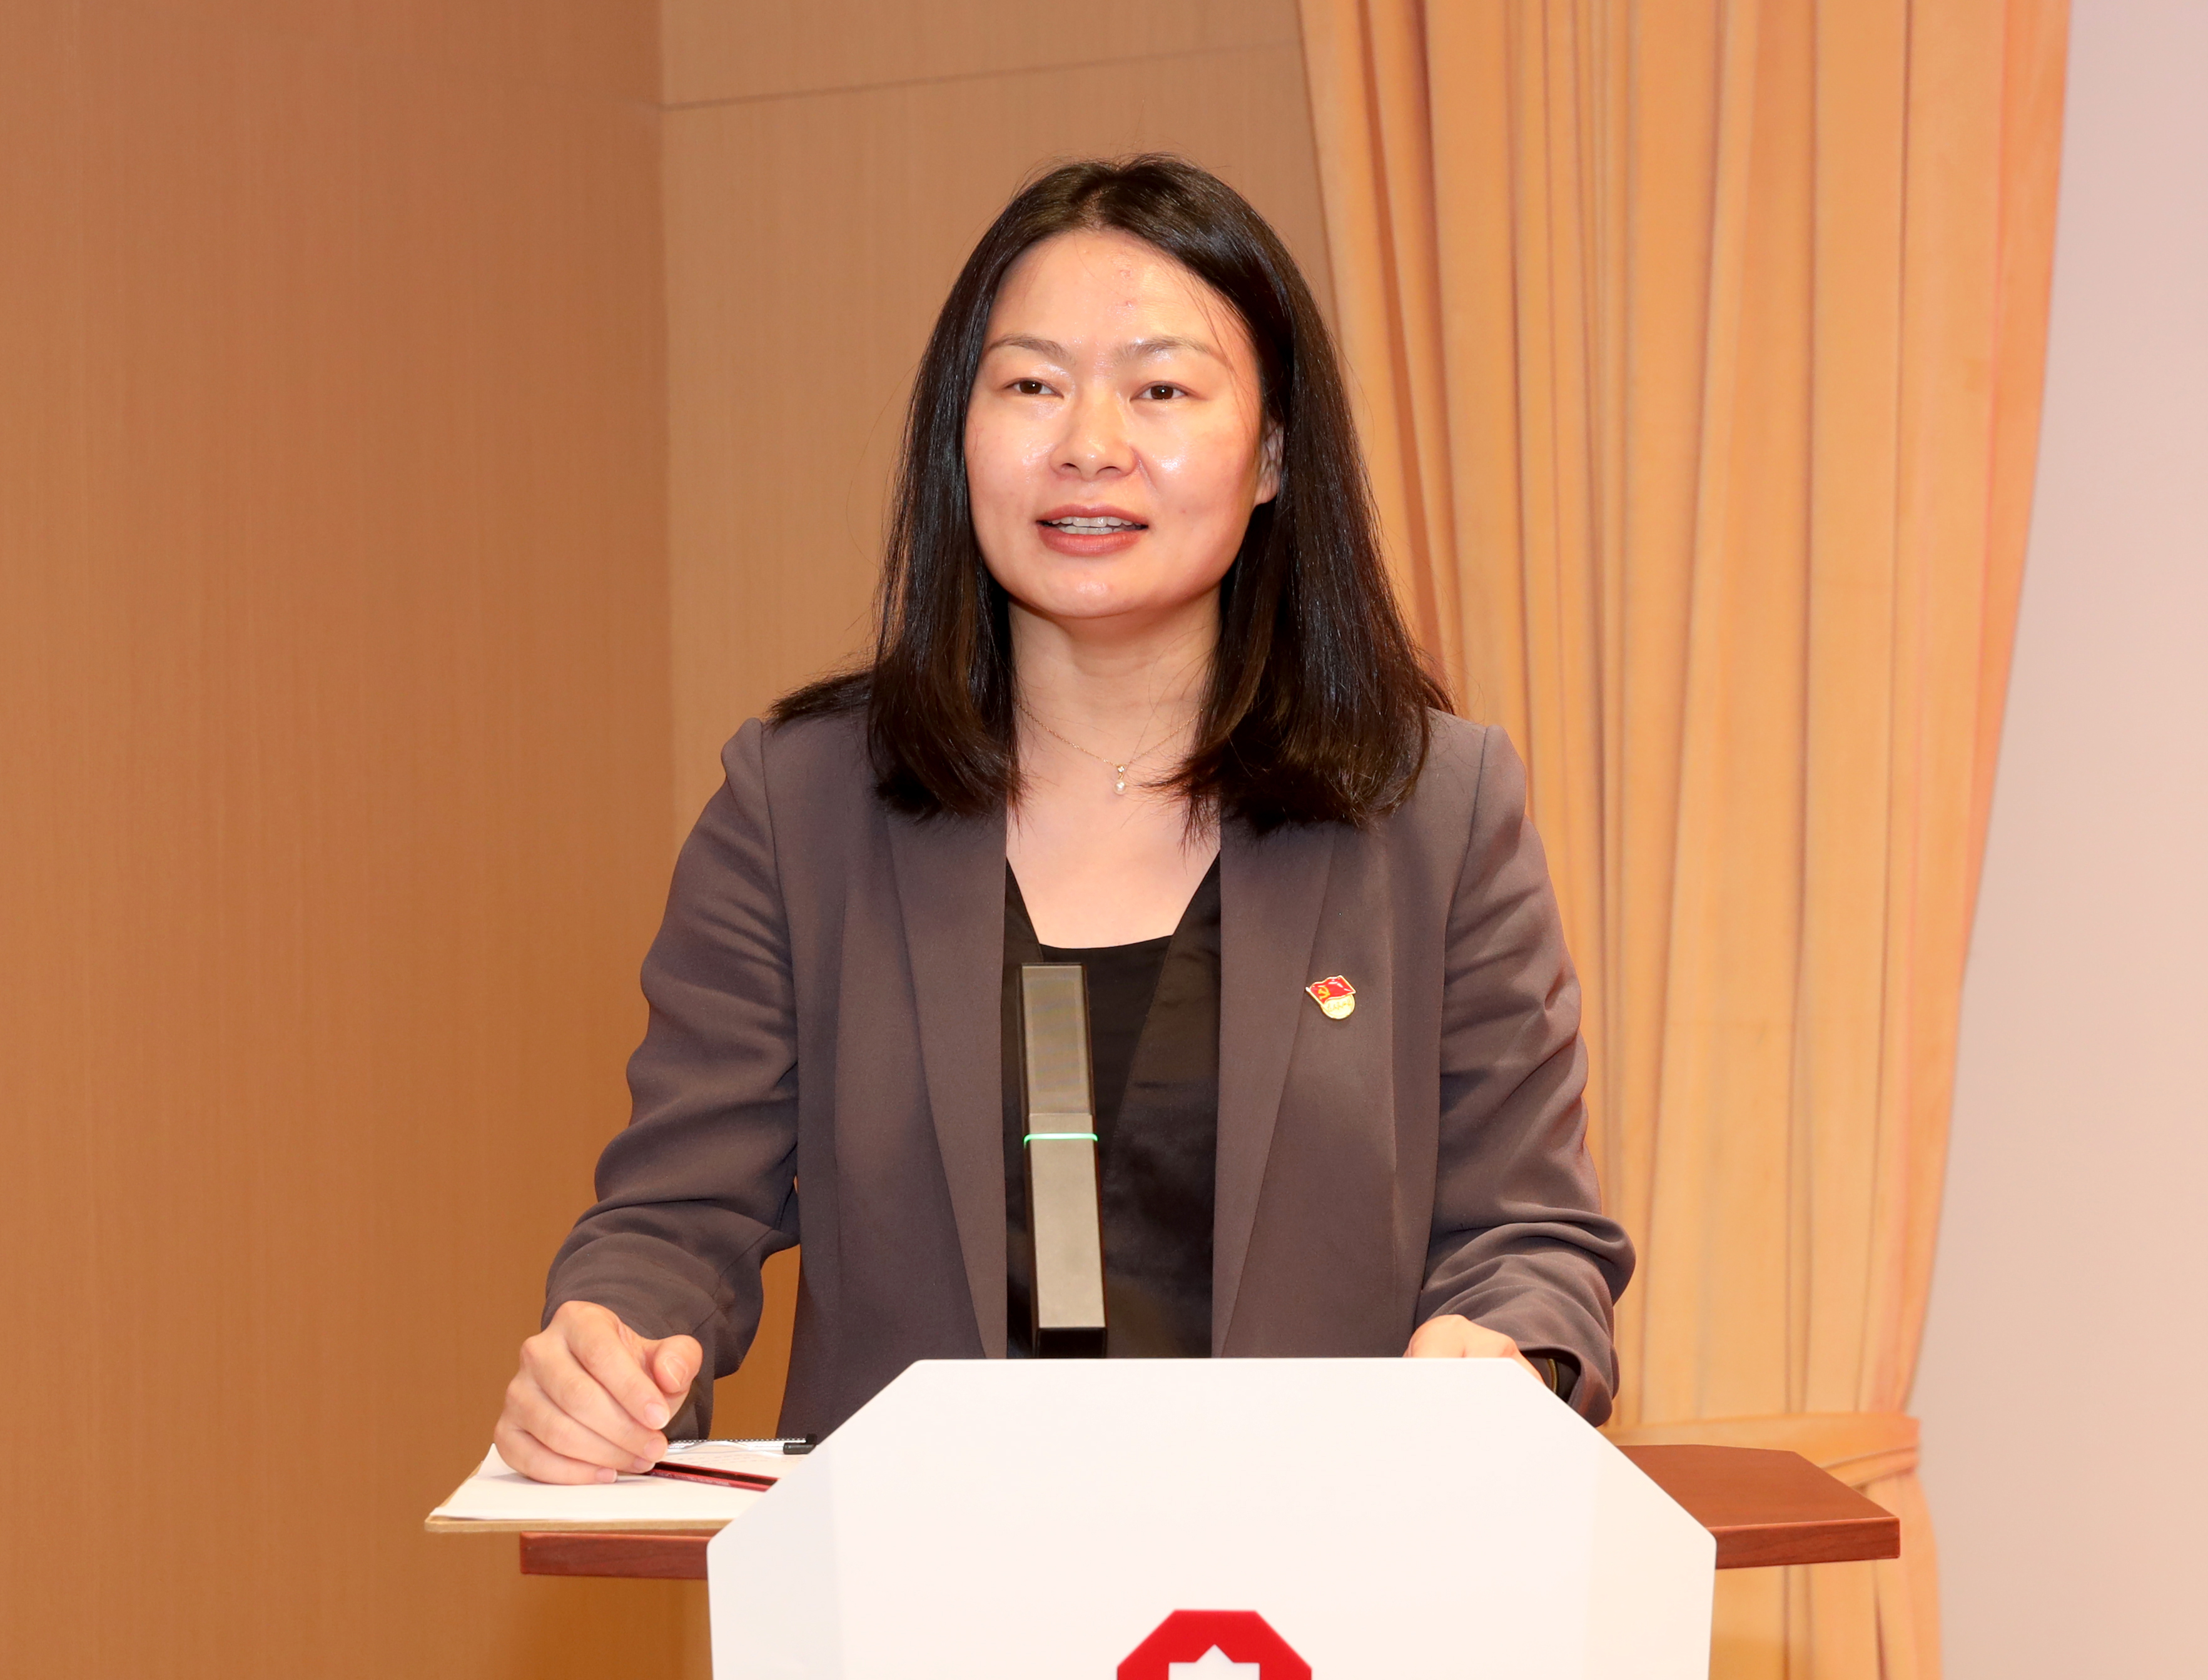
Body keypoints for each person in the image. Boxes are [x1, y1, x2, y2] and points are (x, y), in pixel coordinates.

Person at [494, 156, 1634, 1485]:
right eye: (1031, 385)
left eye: (1160, 390)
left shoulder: (1434, 809)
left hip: (1315, 1561)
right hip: (914, 1571)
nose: (1088, 442)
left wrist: (1504, 1350)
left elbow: (1529, 1236)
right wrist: (609, 1353)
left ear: (1272, 454)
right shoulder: (797, 807)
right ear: (959, 438)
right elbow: (675, 1217)